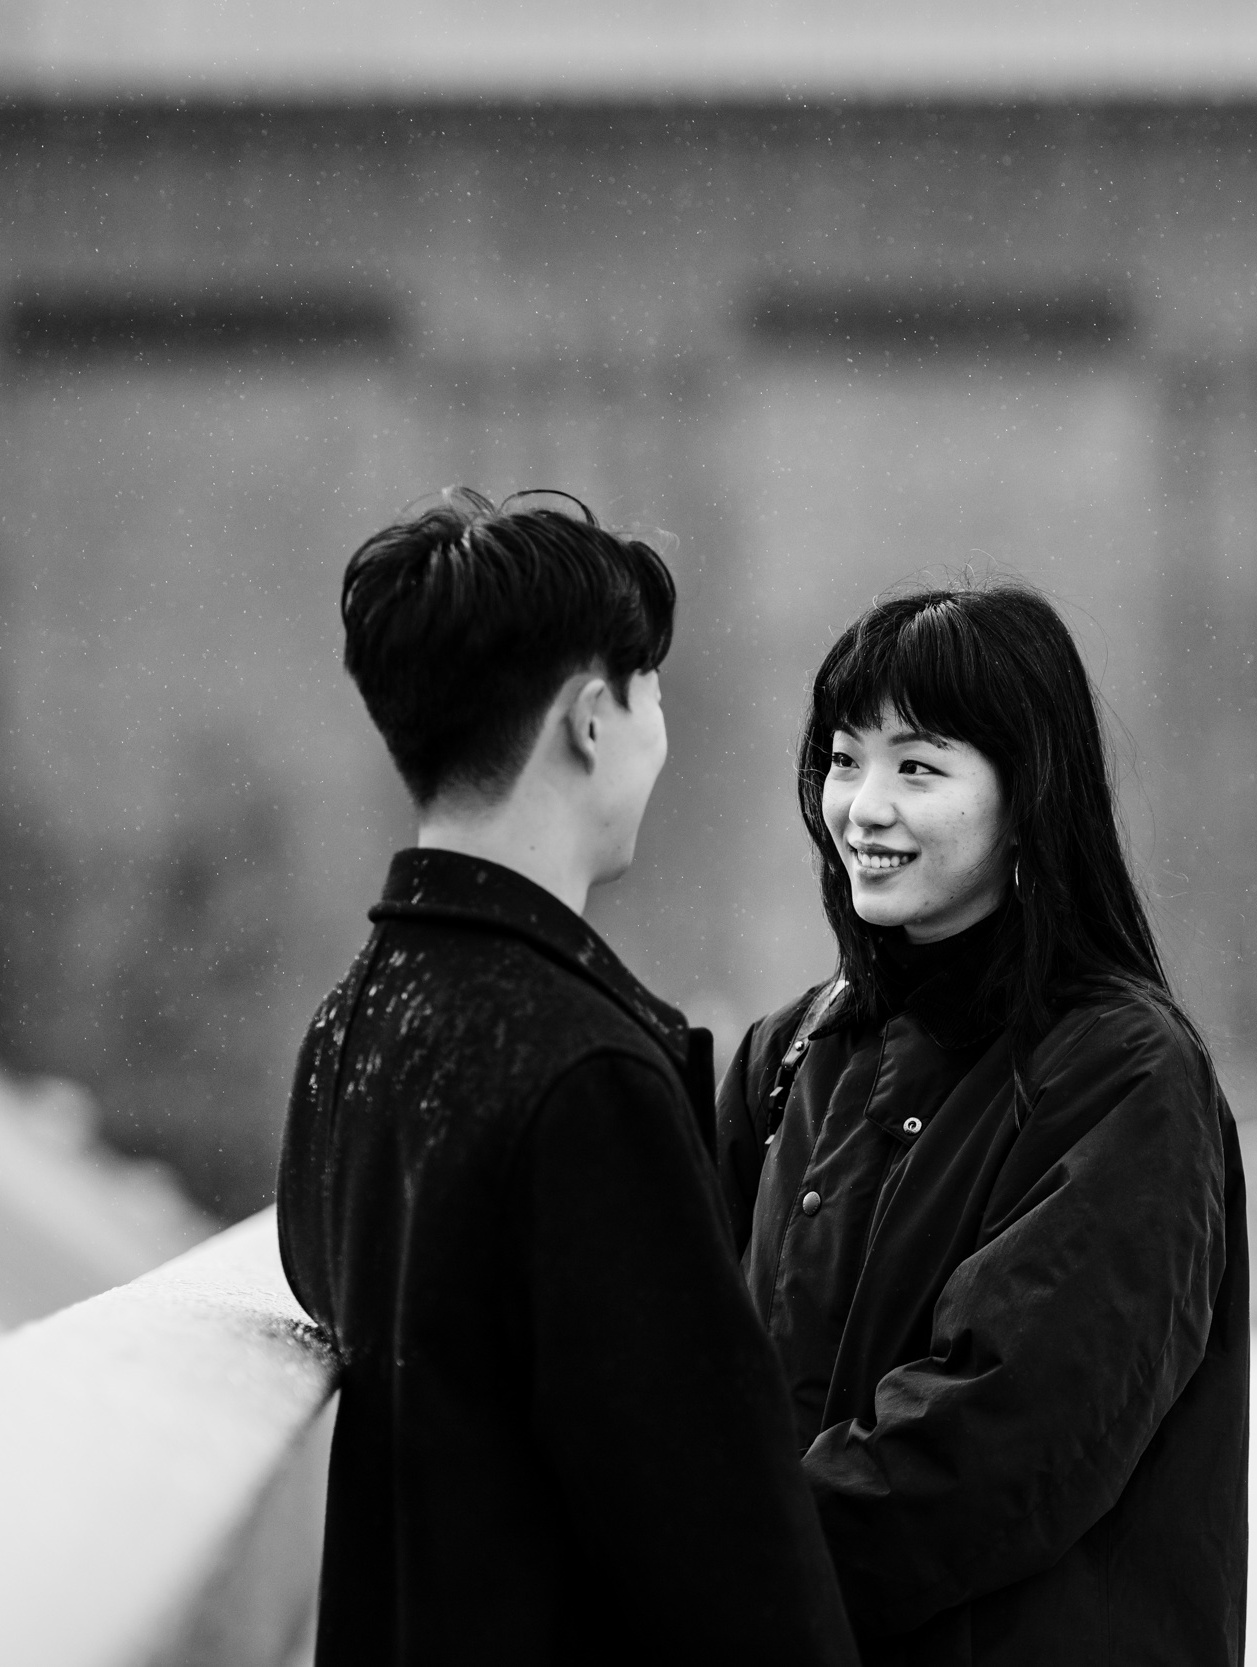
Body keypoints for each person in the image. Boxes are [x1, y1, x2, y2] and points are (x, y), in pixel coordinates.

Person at [278, 488, 857, 1666]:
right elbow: (720, 1551)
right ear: (592, 718)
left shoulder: (351, 1026)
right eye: (649, 691)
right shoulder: (581, 1078)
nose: (658, 729)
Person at [712, 586, 1249, 1666]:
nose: (863, 805)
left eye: (918, 766)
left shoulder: (1121, 1068)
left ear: (1029, 796)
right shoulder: (790, 1056)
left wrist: (725, 1580)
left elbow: (1007, 1433)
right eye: (844, 757)